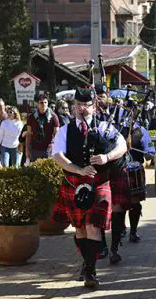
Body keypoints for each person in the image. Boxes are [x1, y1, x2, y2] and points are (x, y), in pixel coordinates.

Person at [51, 88, 127, 288]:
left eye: (85, 105)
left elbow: (122, 146)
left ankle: (91, 272)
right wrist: (78, 169)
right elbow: (58, 156)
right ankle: (86, 262)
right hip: (74, 183)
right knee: (80, 229)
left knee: (93, 226)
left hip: (99, 182)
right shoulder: (65, 130)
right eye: (78, 104)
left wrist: (106, 157)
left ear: (94, 106)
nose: (81, 108)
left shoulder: (104, 127)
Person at [108, 103, 155, 265]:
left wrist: (147, 155)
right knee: (118, 207)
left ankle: (133, 231)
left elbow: (149, 155)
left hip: (134, 171)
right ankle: (114, 247)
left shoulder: (141, 131)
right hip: (118, 172)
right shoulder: (111, 130)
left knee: (135, 204)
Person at [26, 93, 59, 162]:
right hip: (34, 149)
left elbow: (57, 134)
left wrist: (56, 149)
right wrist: (27, 149)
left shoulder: (53, 117)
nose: (44, 104)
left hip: (48, 149)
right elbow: (29, 134)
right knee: (33, 171)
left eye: (45, 102)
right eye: (41, 102)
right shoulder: (31, 117)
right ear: (37, 104)